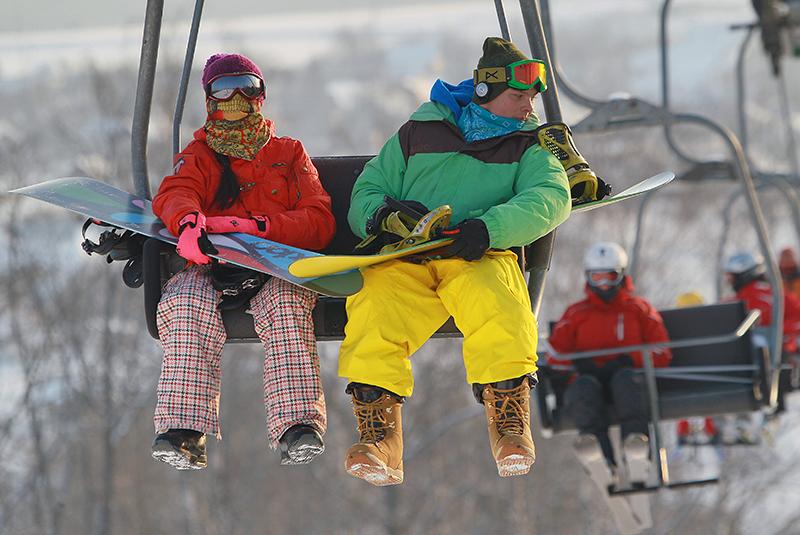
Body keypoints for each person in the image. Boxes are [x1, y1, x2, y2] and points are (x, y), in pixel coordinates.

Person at [337, 37, 572, 486]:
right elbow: (367, 190)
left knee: (497, 302)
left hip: (477, 254)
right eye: (518, 96)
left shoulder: (529, 145)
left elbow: (550, 198)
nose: (527, 106)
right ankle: (381, 439)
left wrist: (489, 229)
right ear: (485, 92)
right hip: (408, 259)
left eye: (531, 98)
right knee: (374, 306)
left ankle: (509, 426)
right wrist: (384, 215)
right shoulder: (420, 132)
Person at [149, 53, 336, 470]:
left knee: (286, 306)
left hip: (276, 265)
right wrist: (189, 223)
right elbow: (175, 192)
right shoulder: (200, 155)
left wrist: (261, 227)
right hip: (211, 264)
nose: (234, 99)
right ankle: (183, 432)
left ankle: (297, 427)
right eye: (223, 89)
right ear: (209, 99)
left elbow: (319, 220)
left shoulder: (288, 154)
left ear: (261, 96)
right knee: (184, 305)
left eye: (245, 88)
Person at [547, 242, 672, 469]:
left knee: (626, 382)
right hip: (588, 380)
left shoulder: (639, 309)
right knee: (583, 388)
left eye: (610, 277)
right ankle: (600, 455)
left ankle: (636, 446)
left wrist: (628, 360)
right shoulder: (576, 313)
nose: (604, 285)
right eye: (597, 278)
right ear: (588, 278)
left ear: (622, 276)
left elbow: (662, 351)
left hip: (628, 379)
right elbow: (554, 354)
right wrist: (578, 362)